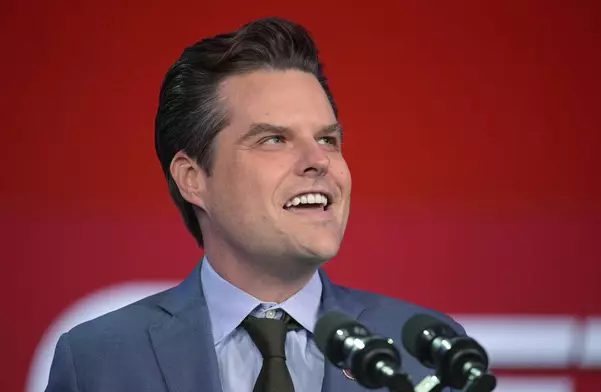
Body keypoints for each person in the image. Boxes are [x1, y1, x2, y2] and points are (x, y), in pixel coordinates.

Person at [45, 17, 465, 392]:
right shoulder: (98, 361)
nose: (319, 161)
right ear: (193, 178)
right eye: (274, 139)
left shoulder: (427, 354)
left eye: (327, 139)